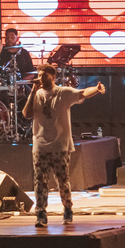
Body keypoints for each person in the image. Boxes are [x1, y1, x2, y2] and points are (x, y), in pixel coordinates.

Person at [22, 63, 105, 227]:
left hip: (60, 145)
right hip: (40, 145)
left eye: (44, 75)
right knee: (40, 181)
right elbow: (26, 114)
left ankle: (67, 209)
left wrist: (96, 89)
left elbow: (82, 93)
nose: (40, 78)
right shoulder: (36, 94)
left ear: (53, 77)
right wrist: (32, 92)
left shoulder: (63, 93)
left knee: (62, 180)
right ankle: (41, 213)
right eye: (39, 75)